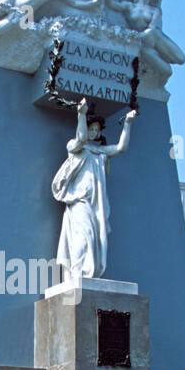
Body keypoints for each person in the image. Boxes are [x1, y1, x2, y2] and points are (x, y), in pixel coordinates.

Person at [52, 97, 137, 279]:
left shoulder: (100, 152)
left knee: (97, 239)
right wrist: (81, 114)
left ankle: (88, 275)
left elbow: (121, 148)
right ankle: (79, 274)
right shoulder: (75, 147)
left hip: (95, 203)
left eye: (96, 130)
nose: (93, 132)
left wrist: (128, 124)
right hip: (79, 200)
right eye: (91, 128)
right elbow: (81, 138)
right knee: (85, 236)